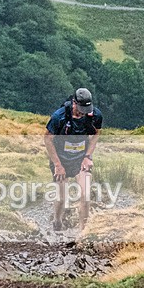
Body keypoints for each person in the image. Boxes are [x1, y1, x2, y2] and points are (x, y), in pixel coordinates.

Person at [43, 87, 103, 231]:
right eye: (80, 108)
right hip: (61, 159)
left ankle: (83, 232)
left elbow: (96, 134)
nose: (82, 112)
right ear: (74, 103)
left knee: (86, 194)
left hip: (81, 158)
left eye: (86, 109)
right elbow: (47, 139)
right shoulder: (59, 116)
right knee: (62, 197)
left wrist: (88, 156)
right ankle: (57, 222)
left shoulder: (95, 115)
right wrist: (57, 164)